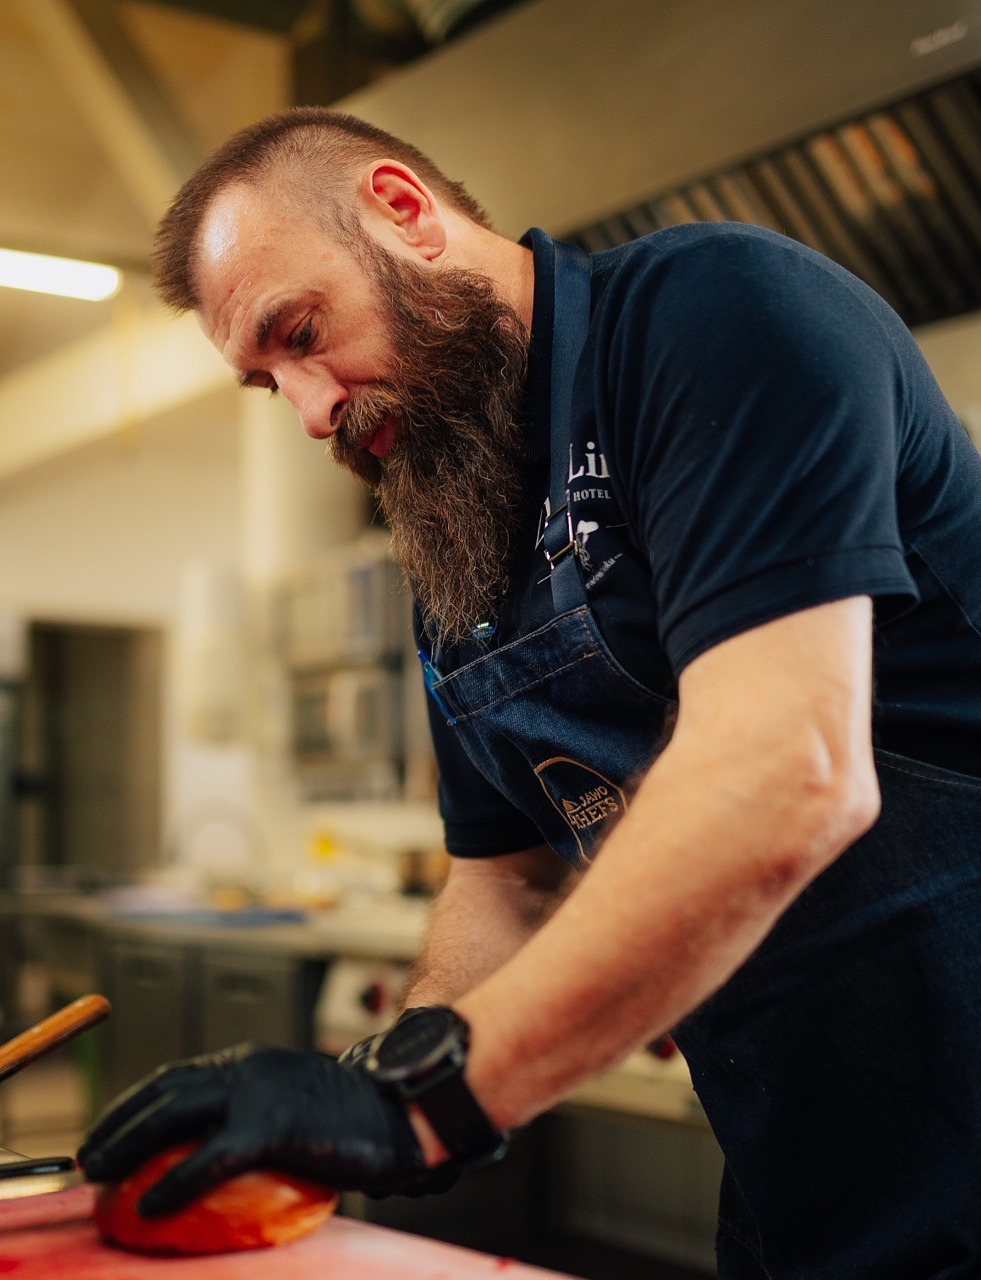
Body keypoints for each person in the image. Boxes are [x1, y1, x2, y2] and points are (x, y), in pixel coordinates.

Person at [78, 107, 981, 1278]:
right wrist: (399, 1054)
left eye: (301, 333)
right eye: (268, 384)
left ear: (401, 210)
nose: (308, 411)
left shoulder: (711, 315)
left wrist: (422, 1103)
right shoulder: (455, 526)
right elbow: (503, 882)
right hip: (801, 1147)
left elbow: (787, 769)